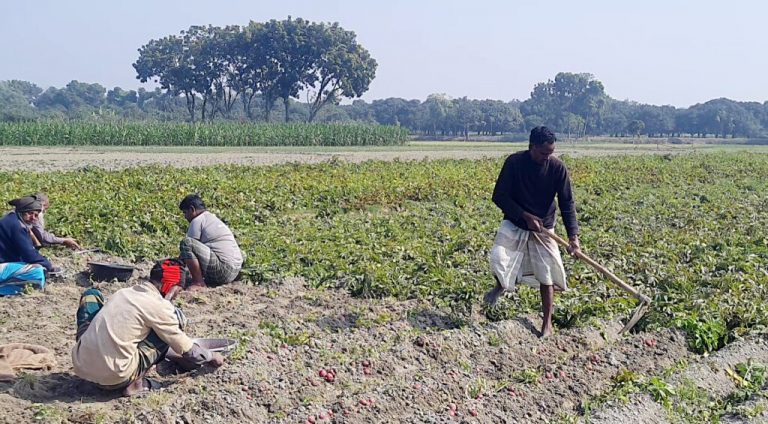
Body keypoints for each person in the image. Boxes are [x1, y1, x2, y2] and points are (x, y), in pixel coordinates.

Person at [72, 261, 225, 396]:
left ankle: (88, 347)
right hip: (114, 377)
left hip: (81, 367)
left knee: (92, 295)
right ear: (171, 287)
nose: (177, 295)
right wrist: (212, 356)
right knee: (173, 323)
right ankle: (136, 385)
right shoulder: (159, 307)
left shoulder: (124, 293)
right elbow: (191, 352)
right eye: (178, 291)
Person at [484, 126, 581, 338]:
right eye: (543, 153)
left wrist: (573, 237)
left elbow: (567, 203)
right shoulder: (514, 163)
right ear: (531, 147)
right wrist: (524, 215)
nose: (547, 157)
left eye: (550, 153)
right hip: (516, 220)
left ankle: (547, 323)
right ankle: (501, 285)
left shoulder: (557, 168)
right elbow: (499, 196)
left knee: (546, 274)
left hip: (544, 226)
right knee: (499, 257)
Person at [178, 194, 243, 291]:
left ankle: (198, 282)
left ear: (192, 210)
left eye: (185, 213)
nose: (185, 217)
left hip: (223, 270)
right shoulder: (212, 218)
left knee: (187, 243)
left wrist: (174, 265)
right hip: (234, 271)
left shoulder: (197, 220)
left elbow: (188, 251)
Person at [0, 196, 59, 295]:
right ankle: (4, 289)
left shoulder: (12, 219)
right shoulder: (16, 226)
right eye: (30, 213)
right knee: (37, 272)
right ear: (22, 211)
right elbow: (29, 255)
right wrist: (49, 266)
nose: (33, 218)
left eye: (36, 215)